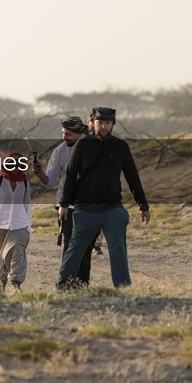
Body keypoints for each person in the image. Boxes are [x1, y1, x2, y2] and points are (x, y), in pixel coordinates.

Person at [57, 107, 151, 289]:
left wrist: (143, 205)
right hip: (85, 208)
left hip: (112, 208)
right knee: (75, 250)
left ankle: (122, 286)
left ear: (113, 124)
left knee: (118, 249)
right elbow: (70, 175)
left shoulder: (120, 147)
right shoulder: (83, 145)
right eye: (100, 123)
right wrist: (64, 204)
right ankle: (63, 286)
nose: (103, 127)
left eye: (107, 123)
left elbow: (132, 176)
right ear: (93, 123)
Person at [32, 116, 94, 286]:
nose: (64, 137)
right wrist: (40, 174)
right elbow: (50, 182)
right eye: (63, 133)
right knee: (69, 244)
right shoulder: (60, 151)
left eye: (68, 134)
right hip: (66, 205)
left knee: (86, 247)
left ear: (80, 133)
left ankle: (82, 284)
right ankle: (66, 283)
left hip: (89, 205)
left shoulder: (93, 147)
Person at [0, 152, 33, 293]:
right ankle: (2, 281)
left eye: (19, 164)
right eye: (12, 163)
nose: (15, 167)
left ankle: (16, 282)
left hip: (20, 223)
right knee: (2, 254)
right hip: (0, 223)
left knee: (18, 250)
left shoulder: (24, 182)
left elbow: (27, 205)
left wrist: (28, 227)